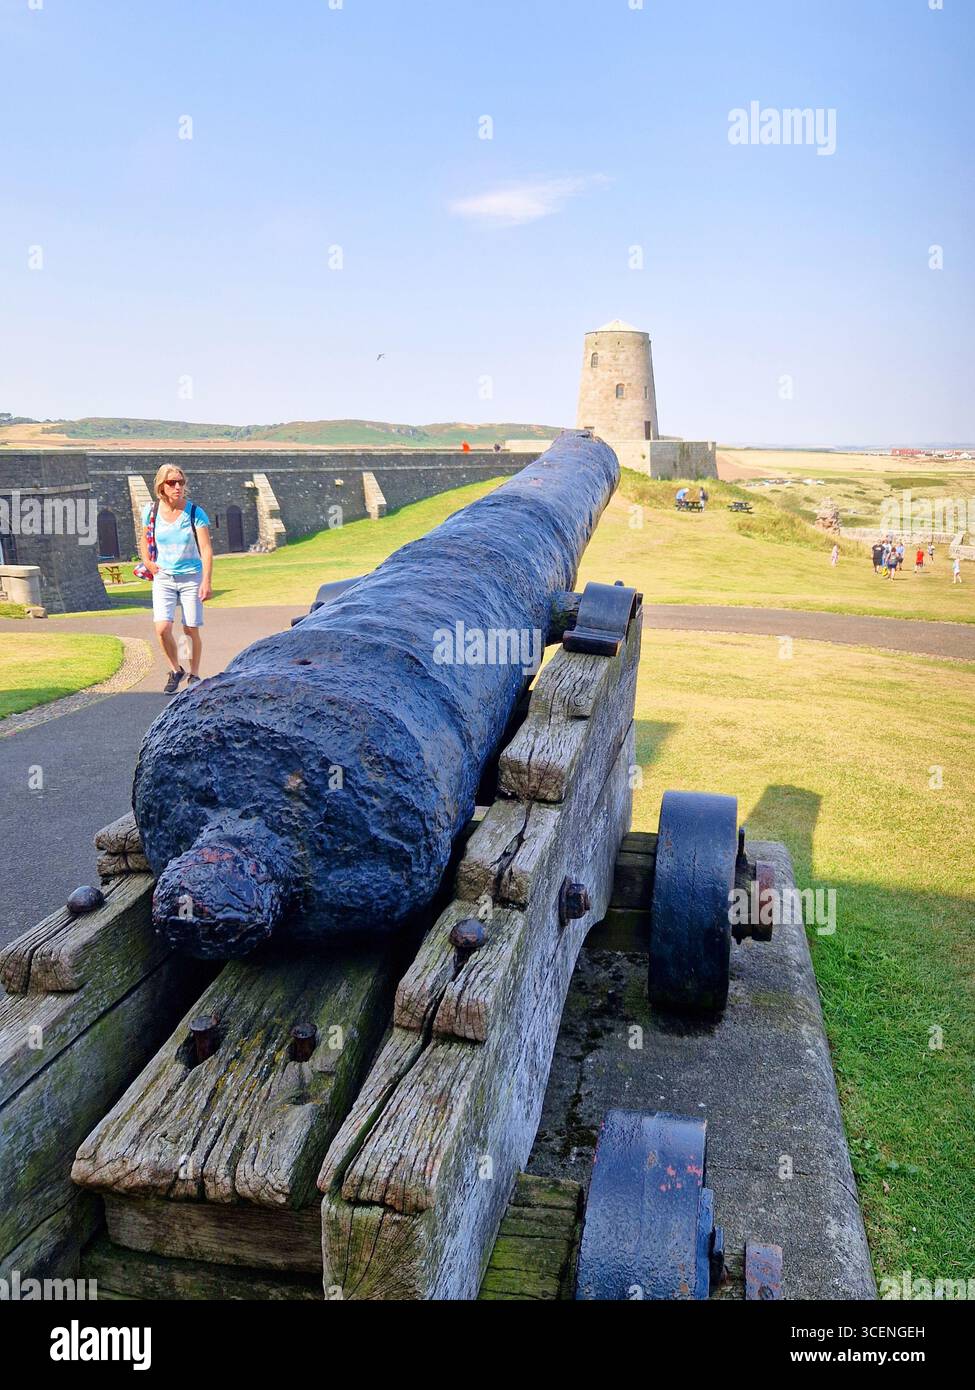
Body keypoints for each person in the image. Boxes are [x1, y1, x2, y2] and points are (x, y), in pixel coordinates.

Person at [138, 466, 213, 694]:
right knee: (162, 628)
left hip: (191, 577)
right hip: (163, 577)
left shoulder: (195, 513)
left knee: (190, 628)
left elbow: (206, 549)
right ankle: (175, 669)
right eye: (172, 483)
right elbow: (143, 539)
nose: (178, 486)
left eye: (180, 482)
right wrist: (148, 562)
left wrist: (206, 581)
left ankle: (195, 673)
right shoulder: (151, 511)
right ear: (161, 486)